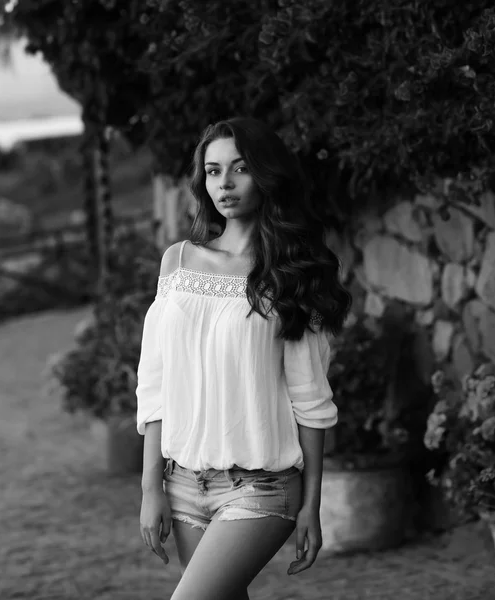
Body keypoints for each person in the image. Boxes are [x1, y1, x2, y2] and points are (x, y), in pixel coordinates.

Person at [136, 116, 352, 600]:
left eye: (239, 169)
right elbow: (155, 385)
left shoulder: (291, 276)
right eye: (213, 171)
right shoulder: (178, 262)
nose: (224, 184)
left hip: (260, 489)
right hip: (183, 484)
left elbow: (310, 401)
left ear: (266, 176)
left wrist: (311, 506)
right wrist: (152, 487)